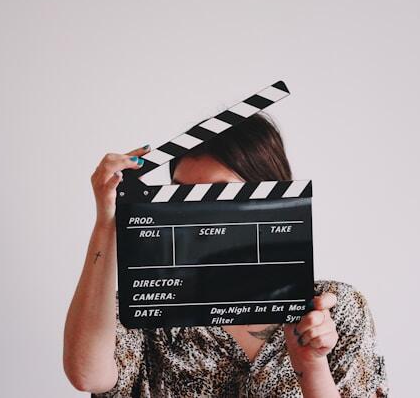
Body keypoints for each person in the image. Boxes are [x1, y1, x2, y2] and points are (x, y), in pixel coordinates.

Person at [63, 113, 389, 397]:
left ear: (269, 197)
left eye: (217, 193)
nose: (193, 214)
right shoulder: (149, 304)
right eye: (180, 194)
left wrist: (311, 365)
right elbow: (87, 374)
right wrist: (108, 222)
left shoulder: (334, 309)